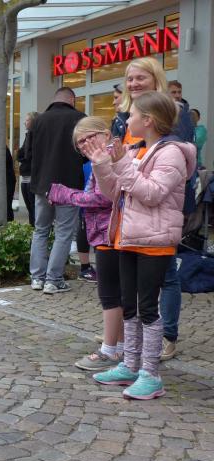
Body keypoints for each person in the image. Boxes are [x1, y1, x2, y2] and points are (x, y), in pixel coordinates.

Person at [87, 91, 195, 400]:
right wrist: (101, 165)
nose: (127, 119)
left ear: (148, 120)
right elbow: (115, 192)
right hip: (129, 237)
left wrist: (121, 162)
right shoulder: (139, 150)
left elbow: (151, 193)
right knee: (130, 305)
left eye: (132, 114)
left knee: (148, 307)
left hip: (154, 242)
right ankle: (130, 365)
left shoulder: (171, 153)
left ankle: (150, 374)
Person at [110, 56, 195, 360]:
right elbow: (123, 165)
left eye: (140, 78)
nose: (133, 83)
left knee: (164, 277)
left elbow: (170, 170)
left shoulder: (172, 115)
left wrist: (125, 165)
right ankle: (133, 348)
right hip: (131, 208)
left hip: (160, 210)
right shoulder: (124, 115)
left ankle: (164, 336)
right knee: (133, 296)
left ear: (155, 79)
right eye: (130, 78)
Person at [49, 117, 122, 371]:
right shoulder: (100, 158)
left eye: (88, 138)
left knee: (111, 295)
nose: (84, 145)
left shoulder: (109, 157)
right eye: (80, 143)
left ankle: (110, 351)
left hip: (110, 234)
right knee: (114, 294)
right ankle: (119, 346)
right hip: (106, 233)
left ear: (105, 134)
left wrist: (65, 194)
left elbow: (102, 198)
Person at [29, 87, 86, 294]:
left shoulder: (38, 121)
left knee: (41, 230)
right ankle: (53, 280)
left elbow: (27, 153)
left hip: (42, 185)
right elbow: (86, 152)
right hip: (69, 185)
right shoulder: (80, 119)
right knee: (63, 233)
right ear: (72, 100)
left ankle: (37, 278)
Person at [17, 112, 37, 226]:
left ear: (33, 121)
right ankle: (32, 228)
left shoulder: (35, 136)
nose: (25, 122)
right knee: (30, 207)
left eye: (27, 120)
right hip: (25, 176)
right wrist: (23, 156)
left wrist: (23, 156)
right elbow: (20, 154)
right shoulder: (28, 135)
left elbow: (27, 155)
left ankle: (34, 229)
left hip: (31, 176)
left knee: (33, 207)